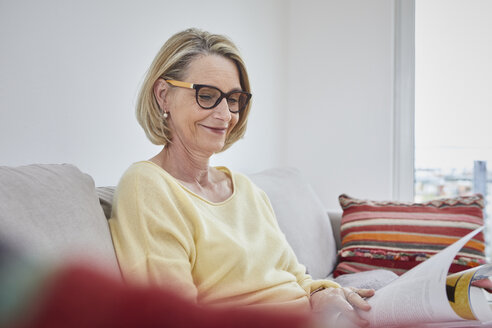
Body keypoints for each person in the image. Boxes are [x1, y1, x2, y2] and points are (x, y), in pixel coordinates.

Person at [108, 28, 374, 327]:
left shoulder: (246, 189)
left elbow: (297, 276)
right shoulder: (147, 185)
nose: (225, 115)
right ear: (163, 95)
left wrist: (322, 293)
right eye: (207, 95)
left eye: (233, 99)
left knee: (388, 290)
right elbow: (172, 314)